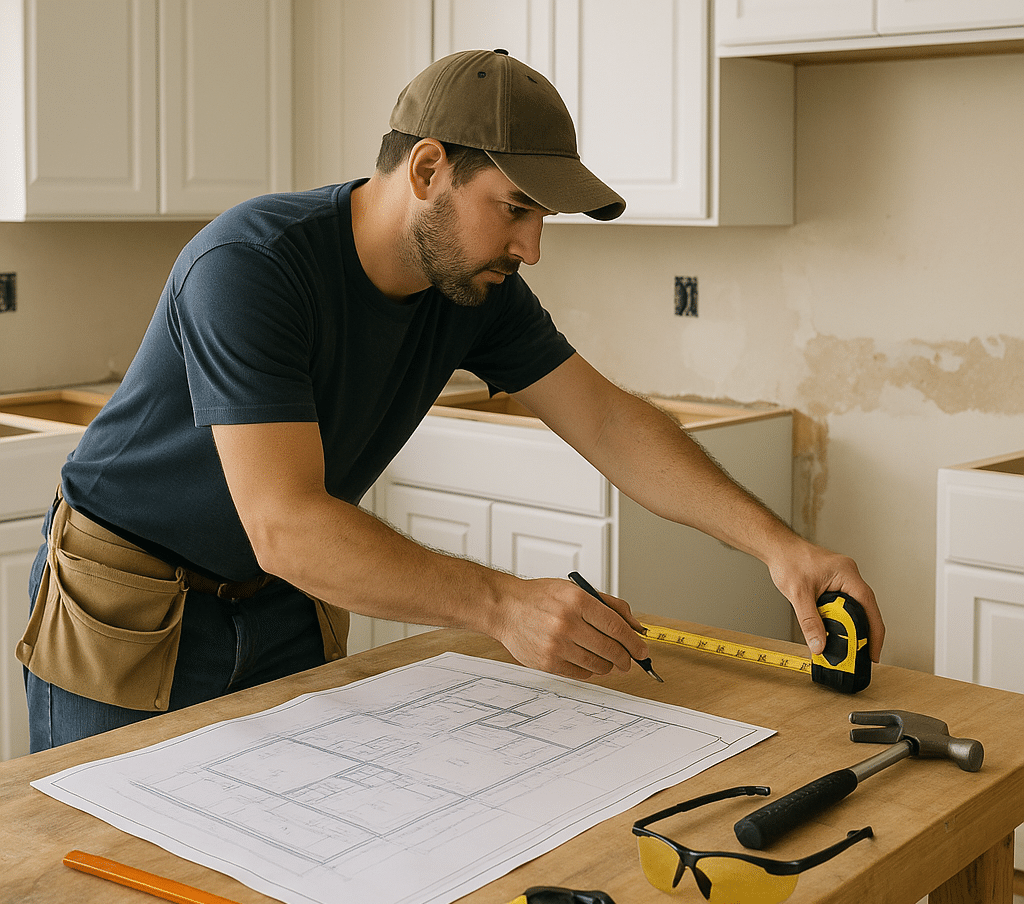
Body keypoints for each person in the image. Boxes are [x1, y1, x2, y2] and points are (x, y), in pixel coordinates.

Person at [20, 49, 884, 752]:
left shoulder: (474, 288)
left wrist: (781, 548)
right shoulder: (250, 267)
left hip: (283, 602)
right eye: (515, 209)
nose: (533, 247)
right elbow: (283, 521)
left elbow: (611, 422)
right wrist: (504, 605)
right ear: (428, 168)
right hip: (129, 602)